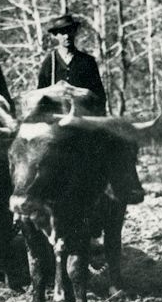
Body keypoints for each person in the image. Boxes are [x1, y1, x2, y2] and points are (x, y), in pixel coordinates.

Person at [37, 13, 144, 204]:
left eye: (70, 31)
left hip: (84, 120)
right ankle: (32, 200)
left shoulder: (86, 61)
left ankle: (126, 190)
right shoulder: (49, 63)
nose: (66, 36)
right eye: (61, 33)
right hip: (57, 122)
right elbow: (40, 96)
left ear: (75, 33)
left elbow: (99, 96)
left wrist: (85, 97)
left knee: (116, 142)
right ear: (55, 36)